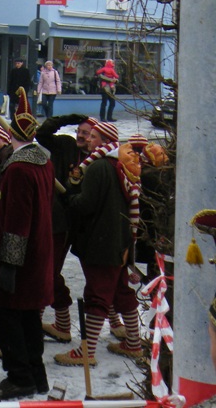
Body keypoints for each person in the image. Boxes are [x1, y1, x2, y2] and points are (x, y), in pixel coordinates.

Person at [55, 120, 143, 367]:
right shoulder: (121, 166)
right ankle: (133, 343)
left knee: (97, 295)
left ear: (105, 141)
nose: (88, 140)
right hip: (120, 241)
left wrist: (68, 198)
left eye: (93, 136)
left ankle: (87, 350)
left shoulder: (98, 167)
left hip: (101, 242)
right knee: (120, 291)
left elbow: (86, 204)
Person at [0, 88, 55, 399]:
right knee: (28, 317)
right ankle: (36, 375)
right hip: (38, 254)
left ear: (12, 133)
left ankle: (20, 377)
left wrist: (9, 265)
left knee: (5, 315)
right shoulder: (43, 163)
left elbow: (16, 220)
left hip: (20, 258)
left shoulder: (18, 169)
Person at [35, 113, 93, 342]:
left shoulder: (95, 160)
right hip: (48, 215)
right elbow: (42, 133)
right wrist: (68, 119)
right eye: (79, 131)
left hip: (66, 224)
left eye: (87, 133)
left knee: (48, 272)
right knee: (45, 271)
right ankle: (55, 323)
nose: (81, 136)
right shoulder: (66, 145)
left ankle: (53, 324)